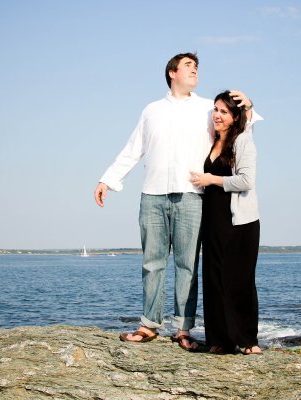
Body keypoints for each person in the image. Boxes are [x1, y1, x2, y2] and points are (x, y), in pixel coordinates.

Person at [93, 53, 257, 351]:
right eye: (188, 66)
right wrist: (108, 179)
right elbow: (133, 149)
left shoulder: (209, 108)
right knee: (152, 263)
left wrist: (250, 104)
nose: (195, 70)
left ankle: (183, 328)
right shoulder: (151, 110)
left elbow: (242, 124)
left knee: (188, 265)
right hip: (152, 195)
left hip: (192, 197)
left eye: (197, 67)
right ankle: (149, 324)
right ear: (172, 73)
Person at [189, 90, 262, 355]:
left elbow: (246, 181)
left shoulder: (243, 139)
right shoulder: (210, 140)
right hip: (213, 220)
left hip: (240, 222)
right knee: (214, 278)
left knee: (239, 280)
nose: (217, 115)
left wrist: (212, 180)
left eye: (224, 111)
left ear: (234, 116)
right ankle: (219, 339)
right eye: (215, 110)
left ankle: (248, 340)